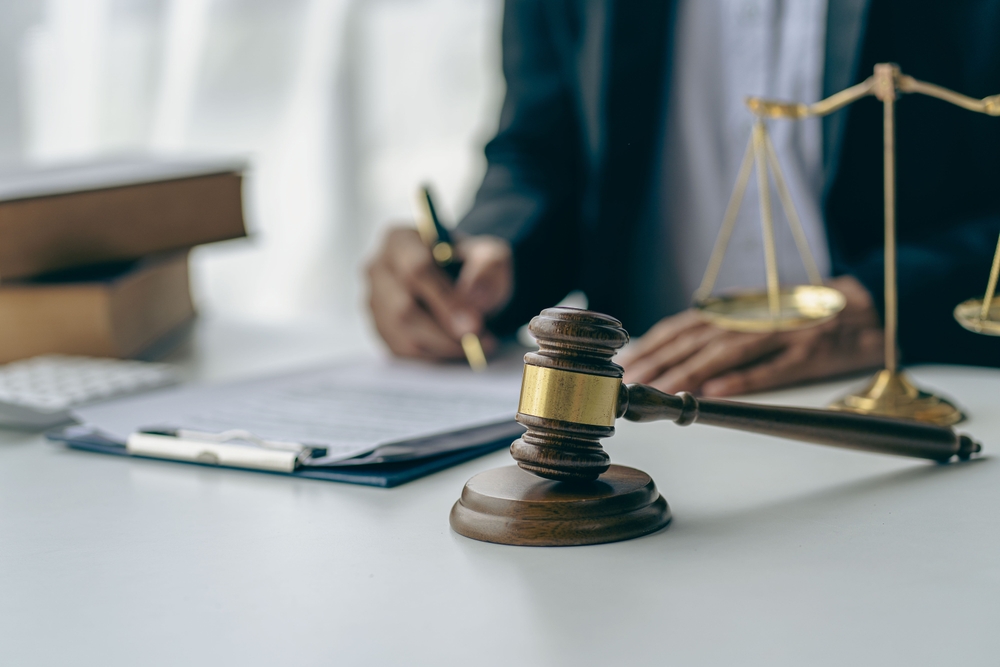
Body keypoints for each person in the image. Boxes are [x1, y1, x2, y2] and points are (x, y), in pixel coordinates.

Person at [367, 0, 1000, 396]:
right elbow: (540, 148)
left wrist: (893, 305)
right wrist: (484, 256)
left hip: (914, 399)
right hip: (646, 408)